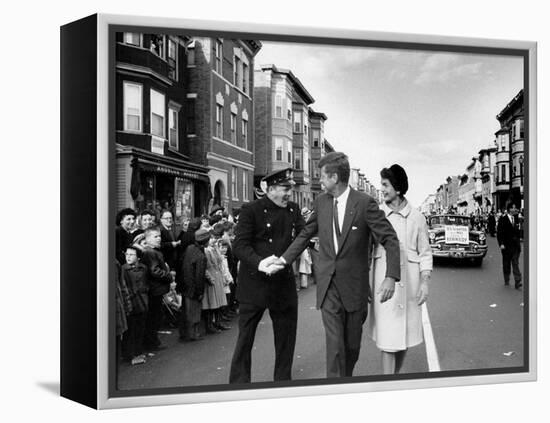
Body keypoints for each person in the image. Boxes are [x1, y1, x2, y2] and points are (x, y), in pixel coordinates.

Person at [276, 152, 401, 378]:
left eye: (322, 176)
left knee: (351, 348)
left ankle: (346, 381)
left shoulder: (364, 204)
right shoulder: (321, 202)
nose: (320, 180)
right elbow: (305, 234)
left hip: (355, 290)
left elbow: (390, 239)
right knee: (334, 346)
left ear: (334, 177)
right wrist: (284, 260)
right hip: (329, 286)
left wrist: (391, 276)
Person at [229, 167, 305, 383]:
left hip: (283, 284)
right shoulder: (251, 209)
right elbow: (239, 246)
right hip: (255, 284)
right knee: (245, 339)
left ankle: (282, 383)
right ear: (270, 189)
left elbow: (303, 237)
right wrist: (260, 262)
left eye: (290, 189)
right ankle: (238, 386)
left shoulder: (293, 210)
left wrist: (285, 260)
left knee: (286, 340)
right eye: (284, 188)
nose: (289, 193)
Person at [366, 165, 432, 374]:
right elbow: (365, 251)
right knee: (388, 339)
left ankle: (393, 377)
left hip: (410, 285)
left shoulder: (417, 218)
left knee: (404, 339)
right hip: (384, 284)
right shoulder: (376, 214)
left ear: (398, 187)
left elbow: (425, 253)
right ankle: (389, 383)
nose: (382, 189)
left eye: (385, 185)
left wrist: (424, 282)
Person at [141, 226, 173, 351]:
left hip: (156, 289)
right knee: (154, 317)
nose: (159, 239)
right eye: (155, 236)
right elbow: (154, 271)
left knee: (155, 317)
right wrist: (168, 276)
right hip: (154, 289)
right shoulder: (150, 252)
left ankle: (153, 342)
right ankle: (151, 343)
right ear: (147, 238)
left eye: (159, 236)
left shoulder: (153, 251)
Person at [179, 228, 211, 342]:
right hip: (194, 288)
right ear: (205, 241)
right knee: (195, 311)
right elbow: (199, 276)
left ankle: (185, 333)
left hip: (186, 285)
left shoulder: (189, 248)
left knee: (187, 311)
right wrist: (200, 292)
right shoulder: (201, 256)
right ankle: (193, 334)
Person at [120, 246, 149, 365]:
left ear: (138, 257)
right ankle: (130, 355)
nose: (128, 257)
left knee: (140, 328)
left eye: (132, 255)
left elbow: (146, 283)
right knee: (130, 331)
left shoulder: (144, 268)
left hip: (142, 302)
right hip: (131, 303)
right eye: (127, 254)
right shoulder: (123, 269)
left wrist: (145, 291)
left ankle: (138, 352)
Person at [497, 202, 522, 289]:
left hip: (515, 246)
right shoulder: (502, 219)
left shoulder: (516, 219)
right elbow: (499, 233)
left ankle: (517, 280)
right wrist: (501, 244)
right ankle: (506, 279)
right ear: (509, 209)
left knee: (515, 263)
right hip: (506, 246)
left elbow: (518, 232)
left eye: (515, 208)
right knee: (506, 263)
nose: (515, 209)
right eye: (514, 208)